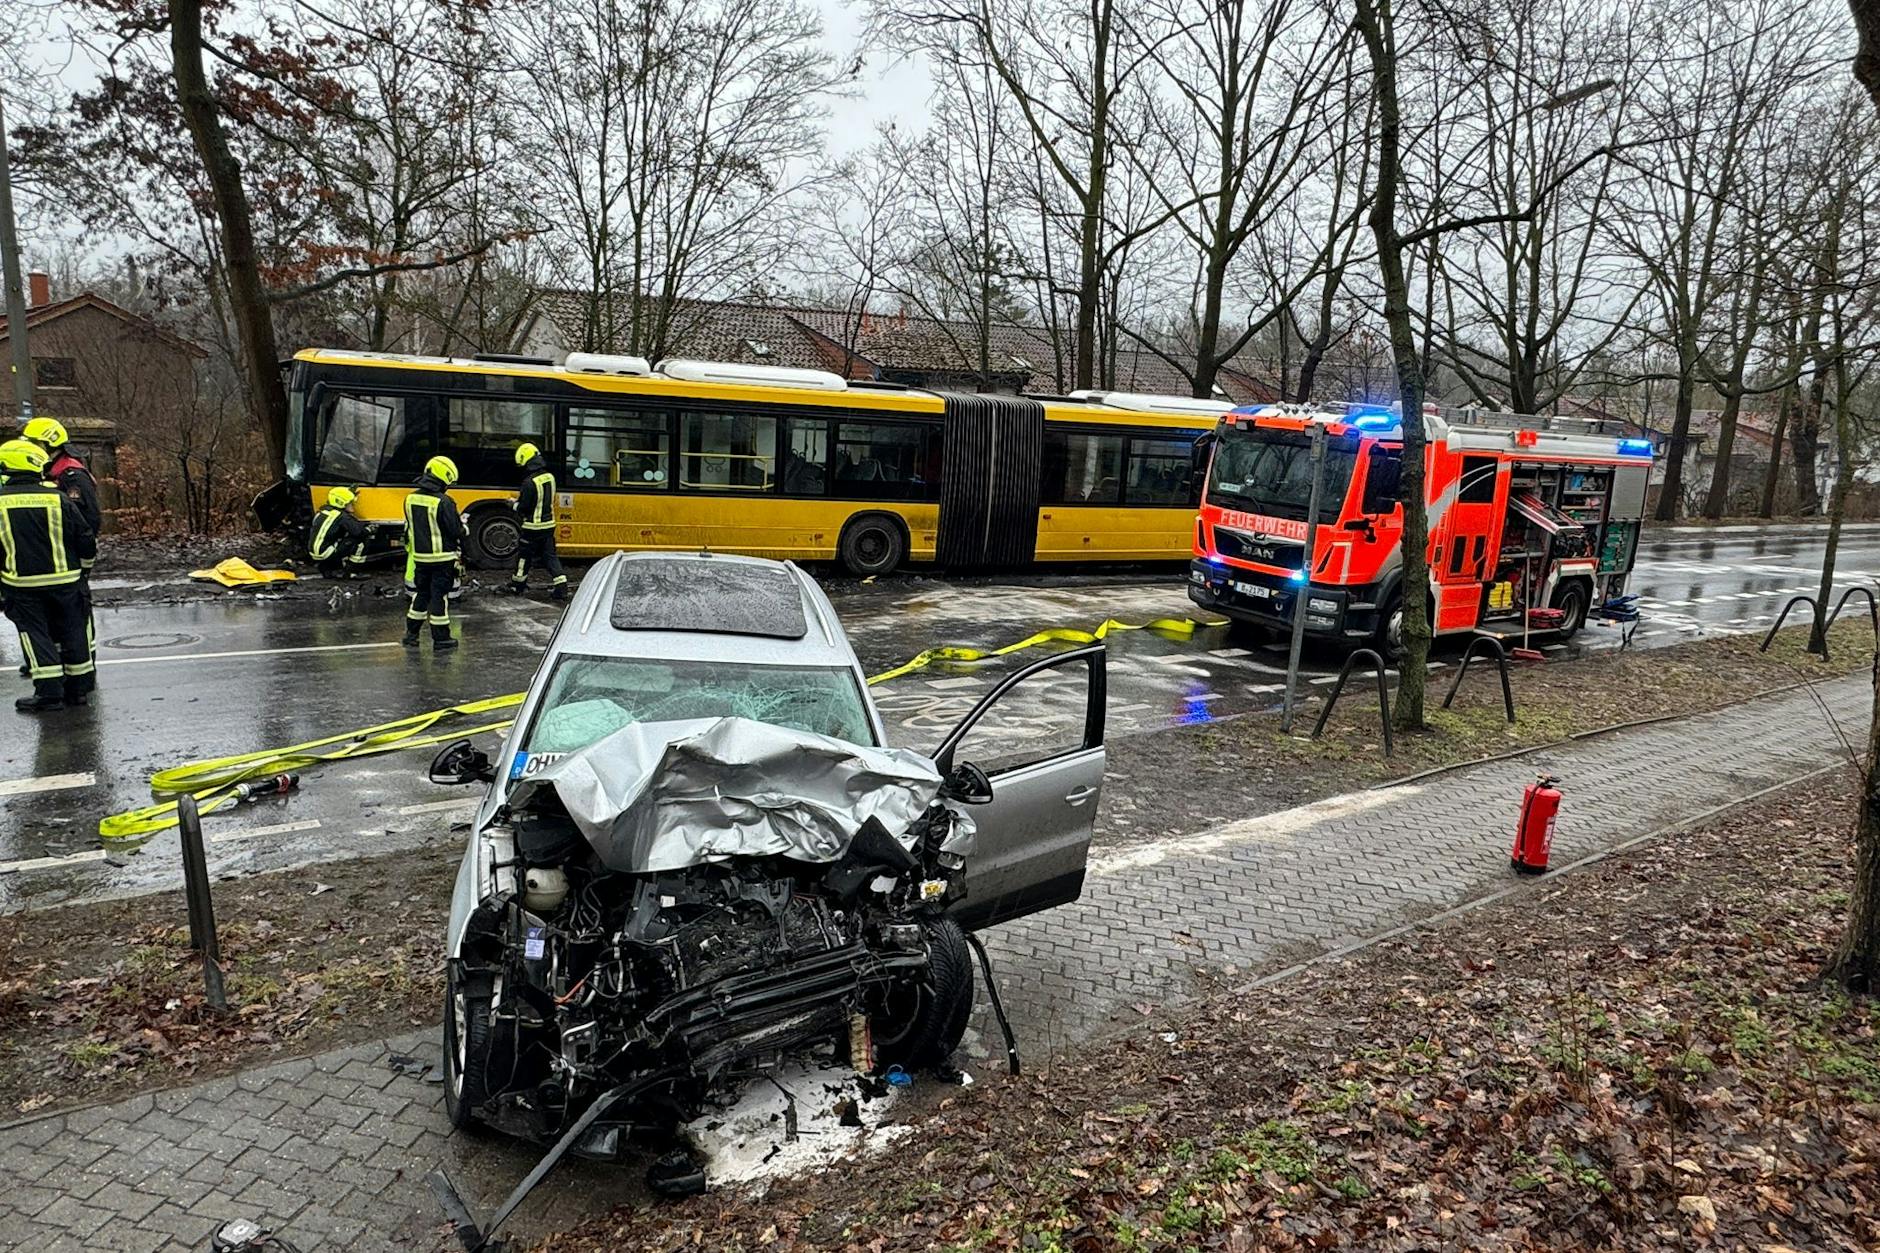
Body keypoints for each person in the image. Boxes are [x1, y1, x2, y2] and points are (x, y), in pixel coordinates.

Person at [0, 439, 96, 711]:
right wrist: (84, 570)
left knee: (36, 634)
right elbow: (85, 538)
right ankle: (78, 691)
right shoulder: (58, 498)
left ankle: (49, 693)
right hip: (67, 580)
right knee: (74, 631)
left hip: (22, 584)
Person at [21, 417, 101, 675]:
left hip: (70, 556)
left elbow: (88, 520)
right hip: (55, 554)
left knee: (77, 612)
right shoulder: (49, 471)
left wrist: (81, 557)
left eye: (34, 443)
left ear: (49, 444)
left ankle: (84, 659)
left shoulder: (71, 475)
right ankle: (53, 661)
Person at [403, 456, 463, 650]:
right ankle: (441, 638)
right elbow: (455, 530)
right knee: (439, 598)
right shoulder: (444, 502)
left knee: (421, 595)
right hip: (442, 558)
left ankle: (411, 635)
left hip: (420, 557)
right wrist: (465, 529)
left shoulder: (410, 498)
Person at [506, 442, 567, 601]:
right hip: (549, 525)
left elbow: (525, 508)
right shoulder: (550, 477)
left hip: (532, 527)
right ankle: (561, 586)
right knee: (550, 556)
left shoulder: (529, 483)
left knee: (524, 556)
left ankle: (517, 585)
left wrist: (513, 505)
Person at [309, 486, 370, 577]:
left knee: (338, 540)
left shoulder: (321, 512)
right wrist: (369, 529)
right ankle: (352, 571)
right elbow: (358, 532)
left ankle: (327, 569)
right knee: (361, 540)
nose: (352, 505)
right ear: (341, 503)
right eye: (350, 503)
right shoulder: (341, 516)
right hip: (326, 552)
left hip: (315, 552)